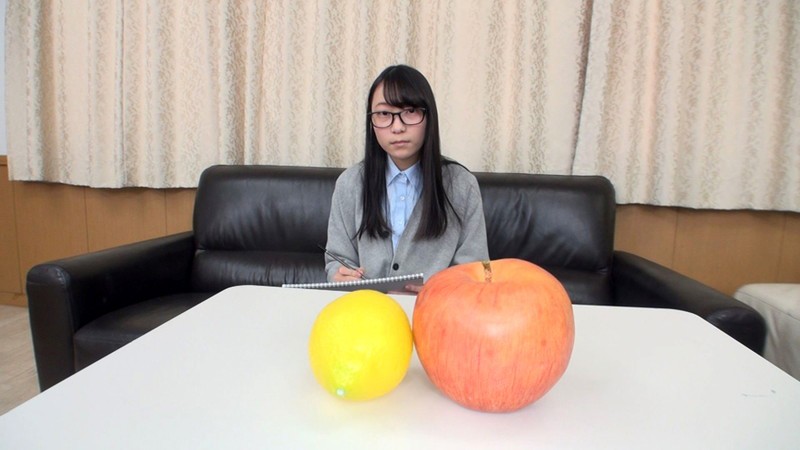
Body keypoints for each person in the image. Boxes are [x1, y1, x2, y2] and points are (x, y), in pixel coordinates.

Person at [325, 64, 489, 292]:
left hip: (436, 310)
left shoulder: (462, 185)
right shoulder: (350, 183)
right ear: (371, 122)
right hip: (367, 308)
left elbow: (479, 272)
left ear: (428, 117)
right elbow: (336, 260)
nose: (397, 127)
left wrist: (440, 291)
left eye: (410, 111)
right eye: (384, 114)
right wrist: (338, 273)